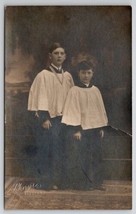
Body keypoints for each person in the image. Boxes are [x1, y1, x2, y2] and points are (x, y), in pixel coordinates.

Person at [27, 42, 74, 190]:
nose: (59, 56)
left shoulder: (67, 76)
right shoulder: (43, 75)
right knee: (48, 149)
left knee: (62, 149)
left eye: (61, 53)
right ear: (50, 56)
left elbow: (73, 97)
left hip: (64, 119)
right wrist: (44, 117)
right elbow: (40, 96)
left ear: (65, 56)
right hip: (49, 119)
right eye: (56, 53)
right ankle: (46, 182)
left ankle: (60, 181)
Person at [61, 60, 108, 190]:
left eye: (88, 73)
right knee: (84, 156)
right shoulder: (74, 91)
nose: (86, 76)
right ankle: (85, 183)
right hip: (82, 129)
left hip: (94, 128)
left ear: (92, 74)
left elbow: (100, 110)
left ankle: (97, 183)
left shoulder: (95, 90)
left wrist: (101, 127)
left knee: (97, 155)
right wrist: (77, 130)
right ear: (79, 73)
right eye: (83, 73)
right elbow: (72, 110)